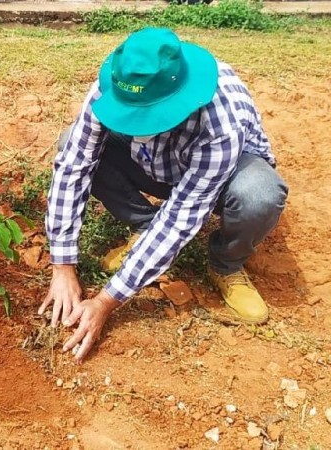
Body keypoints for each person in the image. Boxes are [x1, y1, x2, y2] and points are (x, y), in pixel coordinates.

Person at [40, 28, 288, 363]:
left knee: (259, 194)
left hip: (220, 178)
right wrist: (63, 266)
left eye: (149, 117)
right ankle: (145, 231)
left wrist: (106, 301)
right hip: (153, 164)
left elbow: (182, 216)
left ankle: (226, 265)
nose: (139, 125)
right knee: (72, 141)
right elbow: (74, 166)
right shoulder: (117, 81)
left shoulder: (220, 121)